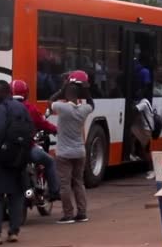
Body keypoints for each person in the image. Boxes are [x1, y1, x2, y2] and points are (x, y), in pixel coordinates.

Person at [0, 80, 32, 245]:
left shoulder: (2, 107)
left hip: (0, 158)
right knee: (16, 194)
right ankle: (13, 232)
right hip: (19, 157)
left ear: (4, 92)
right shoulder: (21, 107)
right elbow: (32, 128)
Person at [51, 71, 94, 224]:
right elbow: (91, 103)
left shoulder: (62, 108)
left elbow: (51, 101)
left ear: (67, 94)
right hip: (80, 152)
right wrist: (85, 89)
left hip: (64, 153)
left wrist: (63, 88)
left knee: (65, 184)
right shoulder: (84, 109)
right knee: (78, 182)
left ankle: (68, 215)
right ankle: (82, 213)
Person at [10, 79, 60, 202]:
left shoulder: (3, 108)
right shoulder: (30, 109)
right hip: (28, 149)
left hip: (8, 150)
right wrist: (56, 129)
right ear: (26, 94)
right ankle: (54, 192)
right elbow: (43, 124)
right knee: (49, 162)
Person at [130, 87, 156, 179]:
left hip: (146, 130)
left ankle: (152, 170)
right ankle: (134, 153)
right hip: (145, 129)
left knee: (146, 151)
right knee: (132, 130)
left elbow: (134, 110)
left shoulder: (144, 103)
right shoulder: (145, 101)